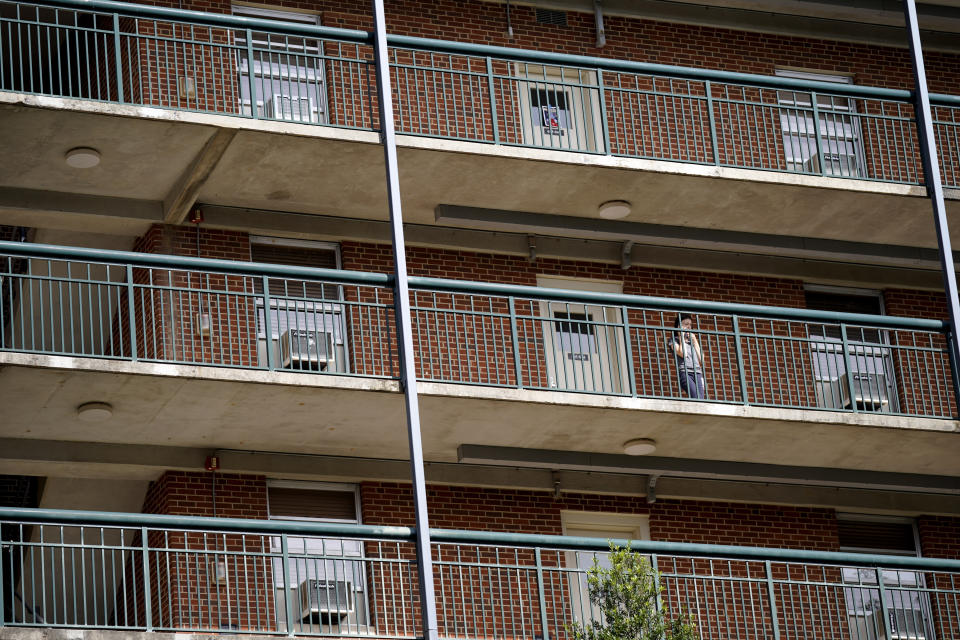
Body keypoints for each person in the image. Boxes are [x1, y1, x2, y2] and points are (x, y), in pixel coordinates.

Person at [669, 313, 706, 399]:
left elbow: (701, 359)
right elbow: (683, 353)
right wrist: (681, 336)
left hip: (698, 373)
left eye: (690, 325)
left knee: (701, 399)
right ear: (679, 326)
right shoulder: (674, 340)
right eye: (686, 324)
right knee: (695, 396)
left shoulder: (692, 341)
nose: (689, 327)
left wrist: (695, 341)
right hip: (685, 372)